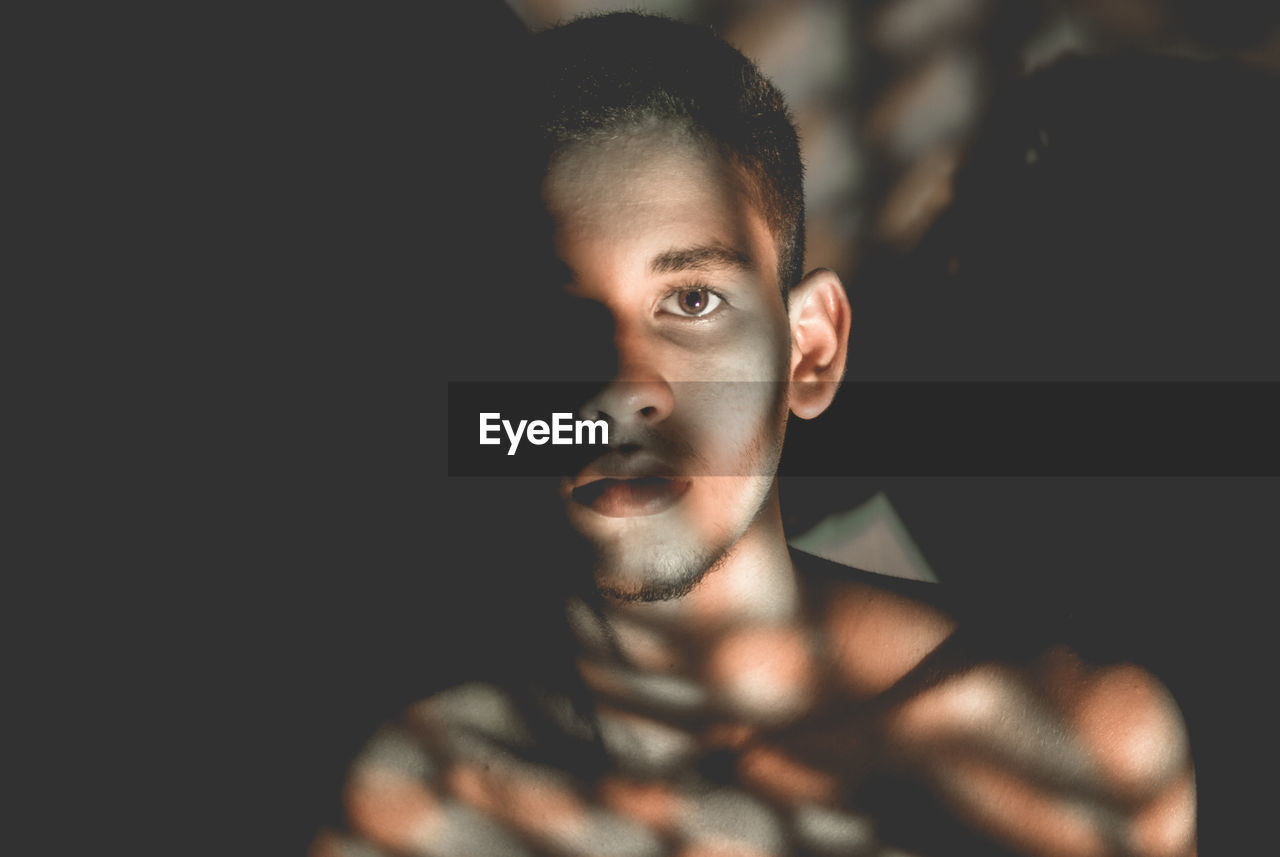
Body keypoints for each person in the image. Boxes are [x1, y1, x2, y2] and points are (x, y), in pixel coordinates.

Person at [311, 13, 1195, 857]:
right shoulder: (426, 791)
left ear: (811, 350)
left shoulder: (1063, 753)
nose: (625, 386)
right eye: (552, 316)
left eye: (692, 301)